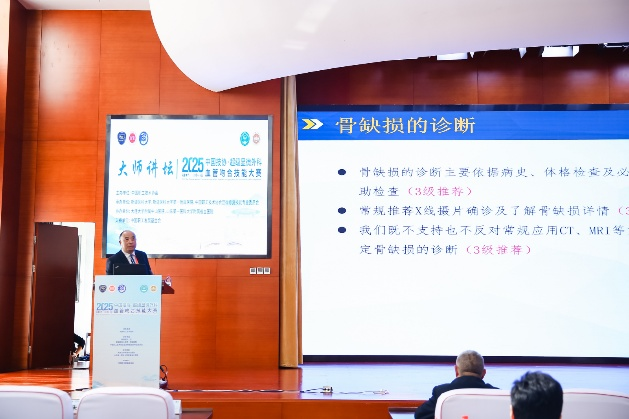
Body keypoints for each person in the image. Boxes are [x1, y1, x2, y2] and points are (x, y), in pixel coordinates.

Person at [414, 350, 497, 419]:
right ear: (483, 373)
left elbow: (420, 415)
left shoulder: (441, 392)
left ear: (456, 370)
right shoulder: (497, 394)